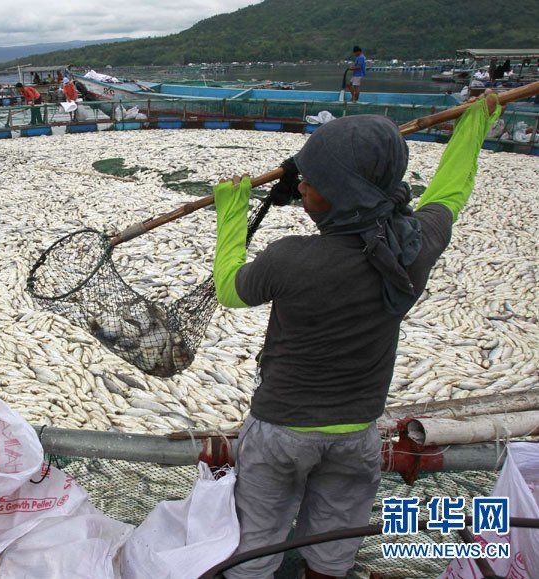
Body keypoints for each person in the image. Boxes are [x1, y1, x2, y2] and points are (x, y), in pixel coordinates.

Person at [211, 92, 501, 578]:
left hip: (280, 431)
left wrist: (232, 211)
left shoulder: (288, 258)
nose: (302, 187)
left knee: (257, 540)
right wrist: (474, 128)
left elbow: (229, 290)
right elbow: (449, 195)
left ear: (345, 193)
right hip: (356, 433)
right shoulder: (414, 245)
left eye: (315, 182)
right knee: (333, 540)